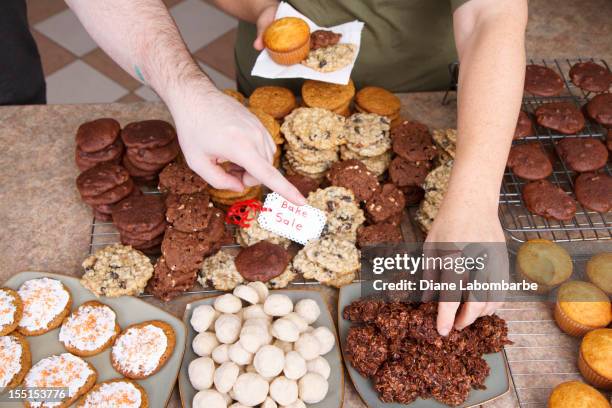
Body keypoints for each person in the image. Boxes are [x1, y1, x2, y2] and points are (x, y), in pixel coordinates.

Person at [4, 0, 528, 335]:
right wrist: (255, 12)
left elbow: (493, 14)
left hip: (426, 79)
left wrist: (475, 198)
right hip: (264, 82)